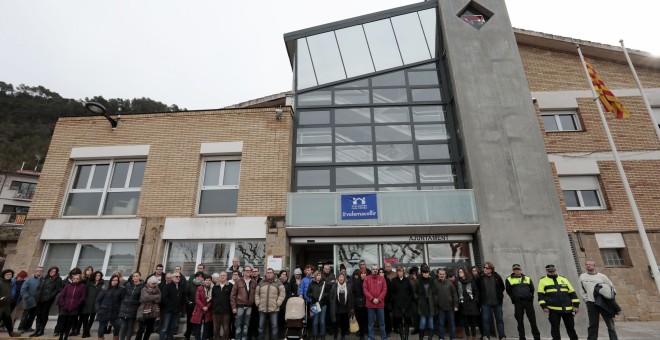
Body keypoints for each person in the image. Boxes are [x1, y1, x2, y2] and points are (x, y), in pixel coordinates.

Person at [537, 264, 579, 340]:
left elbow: (572, 292)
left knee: (571, 329)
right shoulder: (543, 280)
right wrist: (544, 306)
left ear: (555, 270)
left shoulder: (563, 279)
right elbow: (540, 295)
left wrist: (576, 305)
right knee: (555, 329)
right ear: (547, 271)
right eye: (550, 271)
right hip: (553, 310)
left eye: (553, 271)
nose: (552, 272)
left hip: (567, 309)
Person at [579, 260, 618, 340]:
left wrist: (610, 297)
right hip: (592, 303)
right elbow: (581, 290)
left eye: (590, 264)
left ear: (594, 266)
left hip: (604, 303)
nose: (588, 265)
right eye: (586, 264)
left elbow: (612, 288)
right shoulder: (582, 277)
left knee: (610, 324)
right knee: (593, 325)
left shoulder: (602, 276)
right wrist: (587, 299)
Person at [505, 264, 540, 340]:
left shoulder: (527, 278)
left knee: (532, 320)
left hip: (528, 302)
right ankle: (522, 337)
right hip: (518, 303)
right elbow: (508, 291)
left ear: (520, 270)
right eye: (515, 269)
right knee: (520, 321)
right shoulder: (509, 279)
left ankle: (537, 337)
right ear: (513, 270)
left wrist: (530, 296)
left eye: (518, 269)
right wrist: (514, 298)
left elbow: (532, 289)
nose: (517, 271)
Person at [476, 262, 505, 340]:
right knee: (485, 319)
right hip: (485, 303)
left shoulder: (497, 277)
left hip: (497, 303)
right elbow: (477, 288)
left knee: (499, 319)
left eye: (487, 268)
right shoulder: (480, 277)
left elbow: (502, 287)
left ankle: (502, 336)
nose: (485, 269)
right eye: (484, 267)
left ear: (491, 269)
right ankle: (486, 336)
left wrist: (499, 297)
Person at [255, 268, 285, 340]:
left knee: (274, 326)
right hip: (262, 307)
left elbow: (282, 294)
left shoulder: (278, 282)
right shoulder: (261, 282)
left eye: (270, 273)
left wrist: (278, 303)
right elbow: (256, 293)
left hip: (274, 308)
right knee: (261, 326)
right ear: (265, 274)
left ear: (273, 274)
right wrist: (257, 302)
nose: (269, 274)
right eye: (267, 273)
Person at [34, 266, 63, 338]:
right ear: (49, 271)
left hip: (48, 300)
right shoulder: (44, 278)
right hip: (39, 299)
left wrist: (50, 296)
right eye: (51, 271)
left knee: (44, 314)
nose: (52, 273)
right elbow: (39, 287)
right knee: (38, 314)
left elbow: (58, 289)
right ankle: (37, 330)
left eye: (54, 272)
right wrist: (36, 295)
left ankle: (41, 330)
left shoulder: (58, 279)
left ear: (56, 272)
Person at [57, 274, 87, 340]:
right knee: (63, 322)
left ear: (80, 279)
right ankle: (61, 336)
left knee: (69, 323)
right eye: (74, 278)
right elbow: (61, 295)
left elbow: (82, 297)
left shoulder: (82, 287)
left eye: (77, 278)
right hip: (64, 308)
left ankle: (66, 336)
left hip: (74, 308)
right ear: (72, 279)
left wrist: (76, 304)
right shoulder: (67, 286)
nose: (76, 279)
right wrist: (63, 304)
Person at [231, 265, 257, 340]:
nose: (248, 272)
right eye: (247, 270)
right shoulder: (238, 281)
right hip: (239, 306)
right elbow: (232, 295)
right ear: (243, 271)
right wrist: (233, 307)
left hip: (249, 307)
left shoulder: (254, 282)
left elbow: (256, 294)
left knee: (246, 326)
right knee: (238, 326)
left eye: (250, 271)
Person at [96, 274, 125, 340]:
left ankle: (115, 337)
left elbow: (122, 301)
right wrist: (98, 309)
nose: (115, 281)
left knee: (118, 325)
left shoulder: (121, 289)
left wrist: (120, 311)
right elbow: (98, 300)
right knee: (102, 326)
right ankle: (100, 338)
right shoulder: (105, 288)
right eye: (113, 280)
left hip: (115, 311)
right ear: (110, 280)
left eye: (116, 280)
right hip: (103, 310)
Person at [413, 264, 436, 340]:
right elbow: (414, 292)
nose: (426, 274)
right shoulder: (418, 281)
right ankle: (421, 337)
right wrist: (418, 299)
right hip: (422, 303)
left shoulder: (432, 280)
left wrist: (434, 299)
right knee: (422, 321)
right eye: (425, 272)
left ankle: (430, 337)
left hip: (431, 303)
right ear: (422, 273)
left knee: (431, 321)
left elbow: (435, 292)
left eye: (427, 272)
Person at [160, 271, 186, 340]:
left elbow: (182, 298)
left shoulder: (181, 287)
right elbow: (164, 298)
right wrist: (170, 305)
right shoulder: (167, 286)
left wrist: (181, 307)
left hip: (176, 311)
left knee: (173, 327)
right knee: (165, 327)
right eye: (176, 276)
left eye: (179, 277)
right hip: (168, 311)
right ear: (172, 278)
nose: (178, 278)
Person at [363, 264, 387, 340]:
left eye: (376, 269)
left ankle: (383, 337)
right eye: (373, 269)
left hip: (380, 304)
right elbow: (365, 290)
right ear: (371, 270)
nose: (375, 270)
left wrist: (379, 299)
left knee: (382, 323)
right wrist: (372, 299)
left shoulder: (382, 279)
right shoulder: (367, 279)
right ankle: (370, 337)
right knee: (371, 323)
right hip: (370, 304)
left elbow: (384, 290)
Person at [119, 272, 144, 340]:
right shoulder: (127, 285)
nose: (135, 277)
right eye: (134, 276)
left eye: (137, 276)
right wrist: (124, 302)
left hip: (134, 308)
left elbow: (142, 298)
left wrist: (137, 303)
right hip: (124, 307)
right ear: (132, 278)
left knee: (130, 326)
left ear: (139, 277)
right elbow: (122, 295)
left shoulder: (142, 286)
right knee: (123, 326)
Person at [456, 267, 479, 340]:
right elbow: (456, 293)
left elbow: (476, 292)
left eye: (461, 272)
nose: (460, 273)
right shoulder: (458, 282)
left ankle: (474, 336)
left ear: (465, 272)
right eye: (459, 272)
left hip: (472, 304)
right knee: (466, 322)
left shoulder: (471, 281)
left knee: (473, 322)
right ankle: (468, 336)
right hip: (463, 304)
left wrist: (475, 300)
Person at [435, 268, 458, 340]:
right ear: (438, 274)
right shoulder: (435, 283)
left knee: (451, 323)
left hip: (450, 307)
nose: (441, 275)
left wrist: (456, 305)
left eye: (443, 274)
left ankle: (453, 337)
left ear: (445, 275)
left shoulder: (449, 282)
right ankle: (441, 338)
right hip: (440, 307)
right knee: (441, 324)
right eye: (440, 274)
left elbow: (454, 294)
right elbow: (433, 295)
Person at [18, 266, 42, 334]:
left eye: (41, 270)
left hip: (38, 301)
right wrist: (27, 298)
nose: (39, 271)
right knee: (25, 315)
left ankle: (28, 327)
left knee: (33, 315)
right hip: (29, 301)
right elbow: (23, 290)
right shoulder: (29, 280)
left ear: (42, 272)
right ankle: (21, 328)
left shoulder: (43, 280)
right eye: (38, 270)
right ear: (35, 271)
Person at [329, 273, 353, 340]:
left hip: (345, 309)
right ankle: (335, 336)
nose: (341, 278)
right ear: (337, 279)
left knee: (344, 325)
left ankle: (343, 336)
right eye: (340, 277)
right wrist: (332, 307)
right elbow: (331, 298)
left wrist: (352, 308)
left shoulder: (348, 286)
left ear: (344, 279)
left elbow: (351, 298)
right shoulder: (334, 286)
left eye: (342, 277)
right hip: (337, 309)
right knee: (336, 324)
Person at [80, 271, 104, 338]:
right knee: (85, 318)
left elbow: (103, 294)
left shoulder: (102, 285)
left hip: (95, 304)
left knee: (92, 318)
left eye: (99, 275)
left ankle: (87, 331)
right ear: (94, 276)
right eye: (96, 275)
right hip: (87, 303)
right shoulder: (89, 283)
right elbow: (85, 292)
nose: (97, 277)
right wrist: (85, 300)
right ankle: (85, 332)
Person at [307, 270, 330, 340]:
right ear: (315, 276)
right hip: (314, 304)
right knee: (315, 321)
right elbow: (307, 293)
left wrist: (323, 296)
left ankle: (322, 336)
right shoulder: (311, 284)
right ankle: (315, 335)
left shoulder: (324, 283)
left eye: (320, 275)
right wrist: (313, 295)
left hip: (323, 304)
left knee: (322, 321)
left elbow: (328, 293)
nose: (319, 276)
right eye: (317, 275)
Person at [391, 266, 413, 338]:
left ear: (404, 272)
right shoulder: (394, 280)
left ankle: (406, 336)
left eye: (402, 271)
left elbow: (411, 291)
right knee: (399, 321)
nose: (401, 272)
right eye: (399, 271)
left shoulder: (407, 280)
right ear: (397, 272)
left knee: (407, 320)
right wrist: (395, 300)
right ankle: (402, 337)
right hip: (398, 305)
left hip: (406, 304)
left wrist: (409, 300)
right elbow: (392, 292)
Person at [191, 275, 214, 340]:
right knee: (198, 326)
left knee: (206, 327)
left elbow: (213, 299)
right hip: (199, 309)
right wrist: (203, 307)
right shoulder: (200, 288)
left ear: (211, 281)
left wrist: (207, 307)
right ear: (204, 280)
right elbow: (197, 299)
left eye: (209, 280)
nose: (208, 281)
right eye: (206, 280)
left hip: (208, 310)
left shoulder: (213, 288)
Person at [212, 272, 233, 340]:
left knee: (226, 329)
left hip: (226, 311)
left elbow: (232, 297)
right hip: (216, 310)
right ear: (219, 277)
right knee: (216, 328)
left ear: (227, 277)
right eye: (221, 275)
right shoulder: (215, 286)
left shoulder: (230, 285)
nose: (222, 277)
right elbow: (213, 297)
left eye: (224, 275)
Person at [185, 272, 205, 340]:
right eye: (198, 276)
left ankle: (197, 337)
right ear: (195, 277)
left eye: (200, 276)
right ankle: (187, 336)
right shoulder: (190, 285)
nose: (199, 278)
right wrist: (188, 302)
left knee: (198, 324)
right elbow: (185, 295)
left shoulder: (203, 286)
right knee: (189, 323)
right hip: (191, 307)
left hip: (199, 308)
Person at [0, 269, 19, 337]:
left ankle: (11, 333)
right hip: (0, 305)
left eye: (10, 274)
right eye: (7, 274)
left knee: (8, 320)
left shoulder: (10, 283)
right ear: (3, 275)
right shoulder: (0, 282)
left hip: (7, 305)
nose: (9, 276)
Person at [351, 269, 367, 340]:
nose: (363, 275)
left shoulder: (366, 281)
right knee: (360, 319)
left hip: (365, 304)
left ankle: (363, 334)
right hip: (358, 304)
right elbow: (353, 293)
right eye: (362, 273)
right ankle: (361, 334)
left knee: (364, 319)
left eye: (364, 273)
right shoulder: (356, 282)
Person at [377, 268, 392, 335]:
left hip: (386, 302)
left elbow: (389, 292)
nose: (381, 273)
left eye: (382, 272)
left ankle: (388, 330)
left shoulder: (387, 280)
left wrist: (386, 299)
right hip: (378, 302)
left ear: (384, 273)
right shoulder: (376, 281)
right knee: (380, 318)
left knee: (387, 317)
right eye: (379, 272)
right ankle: (382, 331)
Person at [277, 270, 291, 338]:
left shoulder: (288, 284)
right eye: (283, 274)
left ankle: (284, 335)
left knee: (284, 320)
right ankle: (278, 335)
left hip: (285, 304)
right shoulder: (277, 283)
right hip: (278, 304)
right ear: (280, 275)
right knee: (278, 320)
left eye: (285, 274)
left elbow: (289, 294)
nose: (284, 275)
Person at [408, 266, 420, 336]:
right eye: (416, 271)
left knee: (420, 314)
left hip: (420, 299)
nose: (417, 272)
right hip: (413, 299)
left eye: (417, 271)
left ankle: (421, 328)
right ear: (413, 271)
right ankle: (416, 328)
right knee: (415, 314)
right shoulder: (409, 278)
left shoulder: (419, 277)